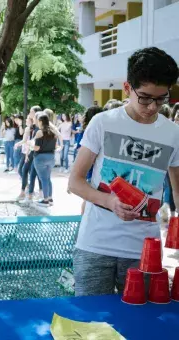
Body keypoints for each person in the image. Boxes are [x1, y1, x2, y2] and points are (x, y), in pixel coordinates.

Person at [69, 47, 179, 297]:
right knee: (89, 326)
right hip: (95, 245)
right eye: (145, 97)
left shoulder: (173, 134)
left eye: (161, 99)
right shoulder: (103, 123)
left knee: (141, 325)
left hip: (144, 251)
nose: (152, 106)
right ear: (127, 88)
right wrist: (109, 200)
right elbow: (75, 182)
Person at [34, 114, 57, 207]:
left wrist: (31, 146)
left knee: (43, 179)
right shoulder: (53, 132)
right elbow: (55, 147)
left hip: (40, 158)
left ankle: (45, 200)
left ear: (40, 121)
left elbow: (36, 148)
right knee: (48, 178)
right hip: (51, 157)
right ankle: (50, 198)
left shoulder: (39, 132)